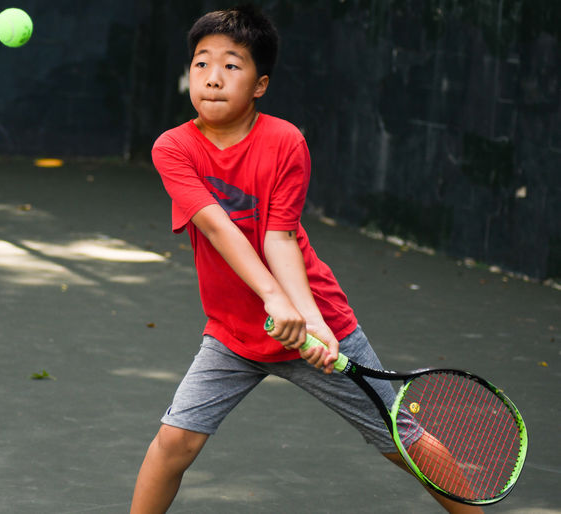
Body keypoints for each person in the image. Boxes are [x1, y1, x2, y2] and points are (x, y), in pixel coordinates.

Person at [130, 5, 482, 514]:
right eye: (201, 62)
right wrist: (274, 300)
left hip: (317, 321)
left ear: (260, 84)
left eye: (231, 65)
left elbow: (281, 238)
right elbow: (218, 227)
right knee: (174, 442)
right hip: (234, 332)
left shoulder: (285, 141)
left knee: (399, 440)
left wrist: (312, 321)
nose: (212, 77)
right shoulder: (174, 147)